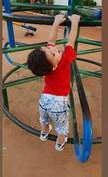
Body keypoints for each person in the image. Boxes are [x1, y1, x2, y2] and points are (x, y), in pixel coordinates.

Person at [27, 14, 80, 151]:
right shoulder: (65, 58)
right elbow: (71, 40)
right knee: (62, 126)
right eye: (52, 52)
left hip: (44, 100)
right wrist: (74, 22)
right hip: (59, 104)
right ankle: (60, 142)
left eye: (48, 48)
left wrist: (56, 22)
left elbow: (51, 40)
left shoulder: (47, 64)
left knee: (44, 119)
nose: (52, 48)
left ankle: (44, 132)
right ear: (54, 66)